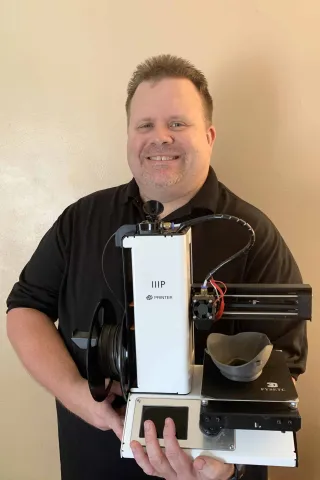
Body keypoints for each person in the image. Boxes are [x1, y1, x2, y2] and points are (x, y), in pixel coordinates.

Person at [6, 54, 307, 480]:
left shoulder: (252, 233)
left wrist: (228, 462)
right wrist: (78, 396)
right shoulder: (82, 220)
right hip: (95, 464)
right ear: (129, 135)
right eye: (144, 125)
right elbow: (25, 308)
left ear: (209, 134)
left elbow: (285, 366)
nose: (159, 137)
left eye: (177, 124)